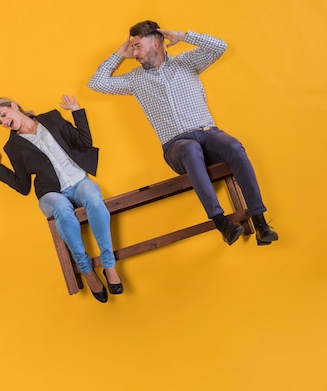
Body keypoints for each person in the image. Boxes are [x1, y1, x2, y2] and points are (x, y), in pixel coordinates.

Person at [88, 20, 279, 247]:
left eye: (138, 46)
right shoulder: (134, 80)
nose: (134, 52)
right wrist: (119, 54)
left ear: (157, 43)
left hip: (209, 134)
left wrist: (182, 35)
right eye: (132, 47)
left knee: (234, 147)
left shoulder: (186, 63)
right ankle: (222, 224)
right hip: (176, 146)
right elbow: (96, 83)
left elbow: (220, 46)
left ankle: (260, 223)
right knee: (190, 148)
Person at [0, 94, 124, 303]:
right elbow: (23, 186)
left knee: (94, 199)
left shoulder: (51, 118)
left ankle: (109, 265)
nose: (4, 122)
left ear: (14, 106)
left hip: (78, 181)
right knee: (62, 209)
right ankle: (86, 270)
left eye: (3, 115)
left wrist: (76, 110)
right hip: (50, 193)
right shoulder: (12, 147)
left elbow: (83, 142)